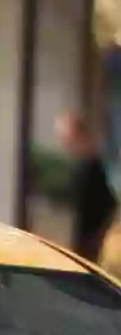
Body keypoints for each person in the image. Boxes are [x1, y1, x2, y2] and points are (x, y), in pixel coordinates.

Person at [59, 109, 115, 258]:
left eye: (66, 138)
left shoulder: (90, 163)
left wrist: (96, 234)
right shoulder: (83, 163)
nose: (65, 144)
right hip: (84, 236)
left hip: (88, 237)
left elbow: (107, 202)